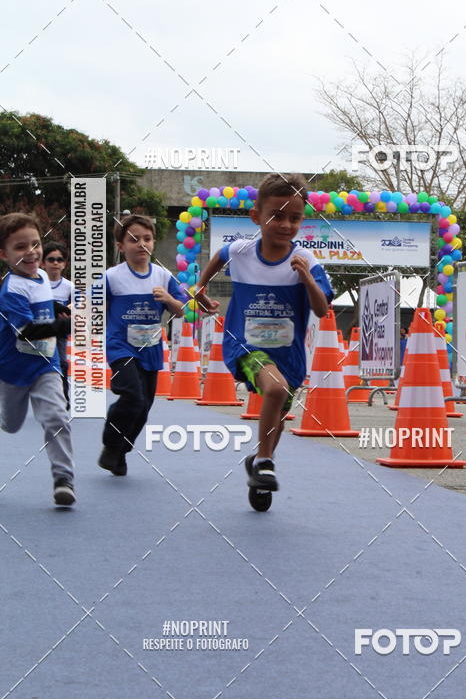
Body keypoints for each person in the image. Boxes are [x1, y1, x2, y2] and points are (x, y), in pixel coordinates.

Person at [195, 173, 333, 494]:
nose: (285, 224)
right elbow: (219, 257)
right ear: (256, 216)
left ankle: (259, 464)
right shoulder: (241, 251)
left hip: (290, 354)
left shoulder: (306, 260)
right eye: (276, 216)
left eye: (294, 218)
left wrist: (307, 280)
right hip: (245, 345)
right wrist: (200, 289)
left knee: (279, 407)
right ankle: (265, 462)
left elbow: (323, 309)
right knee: (275, 390)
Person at [98, 214, 186, 476]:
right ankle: (110, 445)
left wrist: (169, 299)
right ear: (121, 246)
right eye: (133, 239)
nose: (141, 244)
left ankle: (120, 452)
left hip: (150, 349)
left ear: (153, 243)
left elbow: (181, 310)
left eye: (146, 239)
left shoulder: (162, 275)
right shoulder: (112, 277)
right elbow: (87, 301)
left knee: (144, 409)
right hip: (120, 347)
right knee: (133, 398)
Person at [0, 214, 75, 505]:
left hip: (46, 365)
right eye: (20, 247)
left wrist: (56, 307)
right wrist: (61, 327)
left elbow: (41, 300)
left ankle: (63, 478)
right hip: (12, 369)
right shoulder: (10, 290)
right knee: (11, 425)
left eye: (35, 243)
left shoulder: (42, 275)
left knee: (56, 415)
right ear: (4, 254)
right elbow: (27, 331)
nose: (31, 252)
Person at [41, 241, 72, 408]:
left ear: (64, 264)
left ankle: (62, 396)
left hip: (58, 333)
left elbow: (78, 309)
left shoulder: (69, 287)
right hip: (37, 331)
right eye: (51, 259)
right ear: (42, 263)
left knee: (61, 363)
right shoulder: (36, 284)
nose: (55, 263)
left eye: (59, 260)